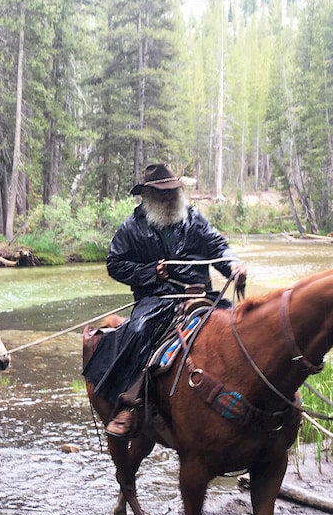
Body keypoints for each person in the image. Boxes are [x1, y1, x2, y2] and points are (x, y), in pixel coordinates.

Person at [84, 163, 247, 437]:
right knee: (138, 330)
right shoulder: (132, 227)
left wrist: (233, 267)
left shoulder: (195, 219)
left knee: (242, 324)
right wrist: (150, 272)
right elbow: (115, 264)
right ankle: (129, 404)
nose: (169, 197)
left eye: (173, 191)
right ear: (149, 196)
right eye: (163, 193)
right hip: (156, 298)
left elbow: (219, 247)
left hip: (202, 295)